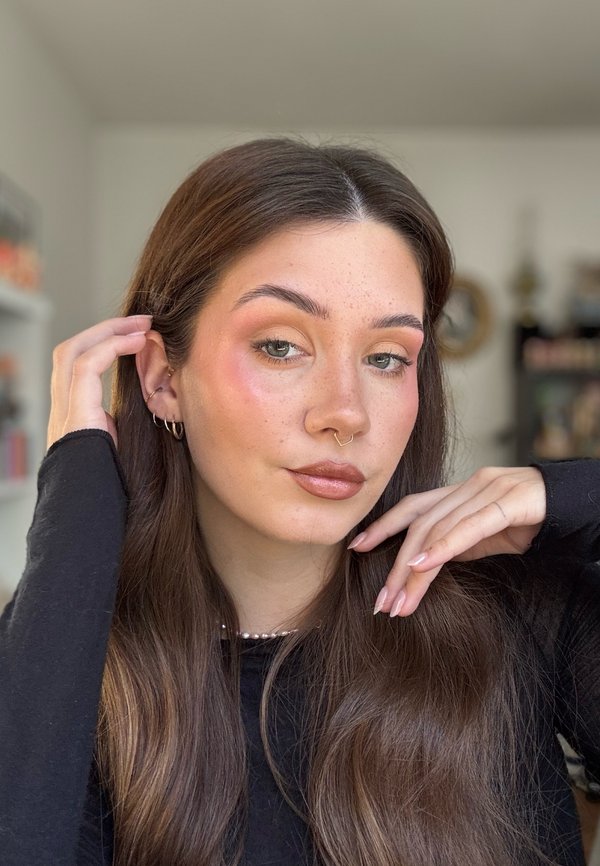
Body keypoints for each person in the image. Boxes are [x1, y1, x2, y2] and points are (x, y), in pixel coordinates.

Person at [0, 137, 599, 866]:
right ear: (162, 379)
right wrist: (81, 502)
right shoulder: (72, 667)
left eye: (386, 358)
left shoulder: (516, 616)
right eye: (281, 345)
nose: (345, 412)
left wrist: (571, 491)